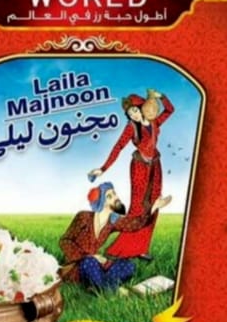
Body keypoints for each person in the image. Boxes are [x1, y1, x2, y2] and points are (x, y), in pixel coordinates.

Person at [88, 88, 174, 259]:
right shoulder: (131, 128)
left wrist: (161, 96)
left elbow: (170, 110)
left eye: (134, 110)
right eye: (129, 114)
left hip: (155, 165)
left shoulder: (155, 122)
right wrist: (103, 168)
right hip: (139, 167)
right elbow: (118, 147)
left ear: (142, 107)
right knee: (138, 207)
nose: (133, 115)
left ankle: (141, 248)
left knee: (154, 205)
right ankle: (122, 249)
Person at [58, 182, 137, 292]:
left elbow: (134, 224)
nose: (115, 198)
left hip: (97, 264)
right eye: (109, 196)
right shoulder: (83, 217)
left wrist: (153, 208)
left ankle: (97, 285)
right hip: (78, 266)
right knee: (89, 262)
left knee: (129, 265)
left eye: (114, 194)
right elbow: (64, 241)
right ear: (101, 201)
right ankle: (111, 289)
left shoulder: (112, 222)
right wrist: (89, 256)